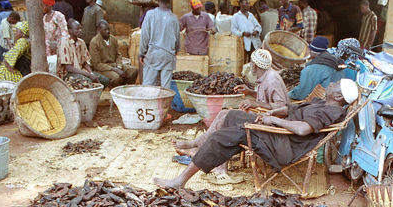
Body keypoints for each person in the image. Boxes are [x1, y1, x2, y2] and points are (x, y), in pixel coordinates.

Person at [154, 78, 359, 189]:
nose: (330, 83)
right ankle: (200, 148)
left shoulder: (332, 111)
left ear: (339, 96)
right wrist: (271, 113)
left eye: (335, 84)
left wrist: (273, 121)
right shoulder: (321, 102)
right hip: (277, 133)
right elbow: (290, 109)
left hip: (283, 145)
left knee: (222, 137)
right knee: (230, 115)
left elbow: (303, 129)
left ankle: (180, 181)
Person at [172, 49, 289, 184]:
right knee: (223, 113)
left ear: (255, 65)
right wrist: (250, 92)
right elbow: (266, 98)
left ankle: (205, 153)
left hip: (268, 126)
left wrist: (254, 102)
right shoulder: (265, 77)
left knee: (228, 120)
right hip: (260, 116)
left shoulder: (272, 79)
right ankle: (199, 144)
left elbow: (282, 107)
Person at [139, 0, 180, 90]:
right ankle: (164, 105)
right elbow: (177, 40)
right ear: (169, 1)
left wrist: (142, 53)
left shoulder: (150, 14)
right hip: (168, 56)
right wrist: (175, 51)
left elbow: (144, 36)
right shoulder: (174, 18)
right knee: (166, 89)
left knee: (148, 87)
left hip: (153, 55)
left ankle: (147, 105)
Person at [289, 37, 346, 101]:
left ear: (312, 52)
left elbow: (302, 93)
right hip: (338, 100)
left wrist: (289, 93)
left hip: (322, 102)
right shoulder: (336, 62)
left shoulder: (311, 69)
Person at [57, 19, 108, 86]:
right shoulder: (64, 44)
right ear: (70, 31)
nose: (80, 30)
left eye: (80, 28)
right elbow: (68, 68)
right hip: (67, 74)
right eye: (77, 29)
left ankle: (94, 96)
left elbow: (85, 62)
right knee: (88, 82)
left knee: (105, 80)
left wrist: (91, 73)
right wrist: (88, 75)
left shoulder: (81, 42)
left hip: (81, 71)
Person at [90, 20, 138, 87]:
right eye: (105, 30)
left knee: (133, 70)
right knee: (116, 77)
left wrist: (119, 66)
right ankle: (115, 92)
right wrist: (114, 69)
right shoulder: (94, 42)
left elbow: (118, 55)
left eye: (108, 29)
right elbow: (97, 64)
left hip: (115, 65)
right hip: (102, 68)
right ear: (99, 30)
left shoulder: (113, 39)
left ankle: (124, 88)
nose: (107, 31)